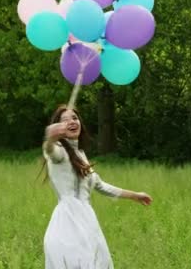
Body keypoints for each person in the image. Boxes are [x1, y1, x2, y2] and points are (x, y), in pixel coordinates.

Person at [42, 104, 152, 269]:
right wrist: (50, 138)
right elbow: (50, 150)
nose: (71, 121)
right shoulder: (59, 151)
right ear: (59, 127)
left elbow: (101, 185)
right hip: (67, 223)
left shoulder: (81, 155)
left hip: (87, 222)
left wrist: (135, 195)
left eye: (74, 118)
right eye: (64, 120)